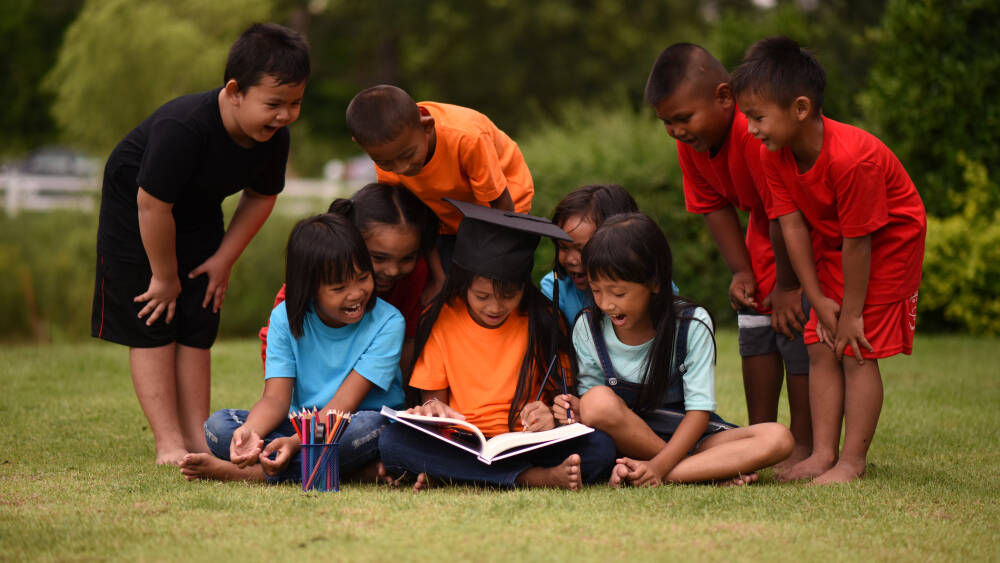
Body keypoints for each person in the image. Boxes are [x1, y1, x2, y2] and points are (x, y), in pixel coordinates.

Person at [90, 23, 310, 465]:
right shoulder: (184, 127)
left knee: (198, 314)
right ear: (234, 92)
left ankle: (197, 436)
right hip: (138, 212)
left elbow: (262, 197)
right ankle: (168, 441)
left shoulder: (273, 139)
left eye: (295, 103)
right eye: (273, 104)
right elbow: (152, 205)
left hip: (197, 210)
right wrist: (164, 276)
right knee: (155, 315)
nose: (284, 115)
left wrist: (223, 260)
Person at [731, 36, 926, 484]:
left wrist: (852, 314)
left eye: (758, 117)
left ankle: (852, 462)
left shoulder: (852, 161)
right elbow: (792, 227)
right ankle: (822, 455)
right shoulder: (773, 154)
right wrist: (816, 299)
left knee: (855, 348)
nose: (751, 129)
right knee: (820, 343)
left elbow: (861, 242)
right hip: (840, 241)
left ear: (800, 108)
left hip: (888, 244)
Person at [644, 43, 812, 471]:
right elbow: (713, 206)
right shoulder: (692, 146)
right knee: (755, 327)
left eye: (684, 118)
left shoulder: (753, 134)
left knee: (795, 331)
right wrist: (742, 271)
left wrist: (789, 286)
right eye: (667, 122)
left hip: (801, 238)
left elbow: (785, 213)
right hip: (764, 233)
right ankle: (759, 437)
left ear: (723, 97)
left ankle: (804, 444)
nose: (676, 131)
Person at [378, 200, 616, 491]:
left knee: (601, 447)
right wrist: (432, 408)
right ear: (464, 284)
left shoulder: (544, 318)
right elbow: (433, 403)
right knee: (393, 442)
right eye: (482, 296)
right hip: (463, 443)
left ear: (523, 287)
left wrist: (549, 416)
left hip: (527, 442)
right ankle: (534, 478)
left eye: (509, 295)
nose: (494, 307)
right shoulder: (441, 317)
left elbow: (561, 401)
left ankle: (455, 474)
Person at [552, 213, 794, 487]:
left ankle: (658, 472)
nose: (606, 304)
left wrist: (659, 466)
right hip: (625, 438)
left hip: (690, 436)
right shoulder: (588, 326)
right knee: (595, 402)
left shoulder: (691, 324)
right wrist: (575, 407)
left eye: (618, 293)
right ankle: (706, 472)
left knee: (778, 438)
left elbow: (699, 412)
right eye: (596, 291)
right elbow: (594, 410)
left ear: (655, 282)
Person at [180, 214, 405, 483]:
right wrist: (251, 432)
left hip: (349, 424)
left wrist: (295, 443)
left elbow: (343, 406)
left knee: (371, 426)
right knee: (219, 427)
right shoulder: (284, 318)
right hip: (301, 427)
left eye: (363, 278)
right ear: (309, 289)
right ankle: (348, 471)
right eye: (339, 287)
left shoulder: (388, 323)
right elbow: (275, 400)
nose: (356, 293)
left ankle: (252, 474)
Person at [345, 84, 534, 291]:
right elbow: (416, 218)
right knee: (450, 284)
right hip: (447, 210)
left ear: (427, 126)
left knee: (491, 283)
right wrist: (438, 278)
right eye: (386, 164)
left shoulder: (467, 138)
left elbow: (502, 206)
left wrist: (497, 260)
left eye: (408, 155)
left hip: (503, 208)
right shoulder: (388, 150)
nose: (401, 168)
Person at [259, 183, 438, 378]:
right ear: (350, 242)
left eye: (407, 258)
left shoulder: (413, 276)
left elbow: (409, 341)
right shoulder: (310, 283)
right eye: (379, 258)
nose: (393, 270)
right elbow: (277, 341)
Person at [541, 184, 680, 326]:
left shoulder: (652, 286)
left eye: (583, 250)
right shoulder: (555, 289)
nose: (572, 260)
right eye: (563, 247)